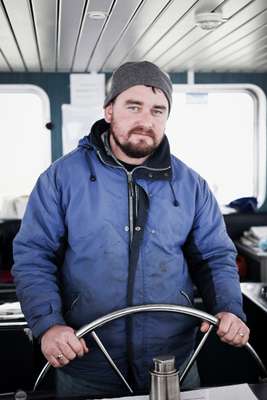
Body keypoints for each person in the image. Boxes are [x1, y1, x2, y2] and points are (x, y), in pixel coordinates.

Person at [12, 61, 249, 397]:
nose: (146, 121)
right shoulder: (60, 179)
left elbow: (215, 256)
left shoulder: (192, 185)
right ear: (109, 111)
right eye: (133, 107)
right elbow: (34, 256)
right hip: (88, 360)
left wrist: (228, 307)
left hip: (174, 363)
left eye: (157, 110)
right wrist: (48, 325)